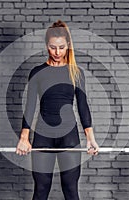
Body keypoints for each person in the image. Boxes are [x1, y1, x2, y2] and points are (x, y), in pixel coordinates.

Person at [16, 20, 99, 200]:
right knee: (41, 189)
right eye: (53, 47)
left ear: (68, 45)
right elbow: (30, 106)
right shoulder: (37, 72)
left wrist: (90, 139)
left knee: (70, 190)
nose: (57, 52)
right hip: (42, 135)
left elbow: (83, 106)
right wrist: (24, 138)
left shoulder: (76, 73)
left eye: (61, 47)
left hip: (68, 136)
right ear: (47, 45)